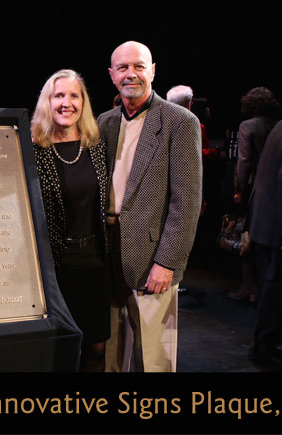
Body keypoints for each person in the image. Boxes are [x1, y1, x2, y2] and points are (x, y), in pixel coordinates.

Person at [100, 41, 202, 372]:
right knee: (110, 354)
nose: (131, 74)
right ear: (112, 75)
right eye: (123, 68)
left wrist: (167, 262)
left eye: (139, 66)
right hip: (107, 252)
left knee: (155, 359)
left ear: (153, 71)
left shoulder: (180, 121)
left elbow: (186, 202)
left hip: (151, 256)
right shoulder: (104, 122)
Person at [31, 69, 111, 372]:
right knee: (58, 353)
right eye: (59, 96)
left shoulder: (96, 145)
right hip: (53, 268)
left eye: (74, 95)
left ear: (83, 102)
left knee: (96, 349)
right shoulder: (33, 149)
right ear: (47, 102)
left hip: (94, 262)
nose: (67, 103)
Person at [247, 118, 282, 367]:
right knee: (275, 292)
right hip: (276, 227)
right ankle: (263, 350)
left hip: (265, 220)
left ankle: (265, 345)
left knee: (269, 289)